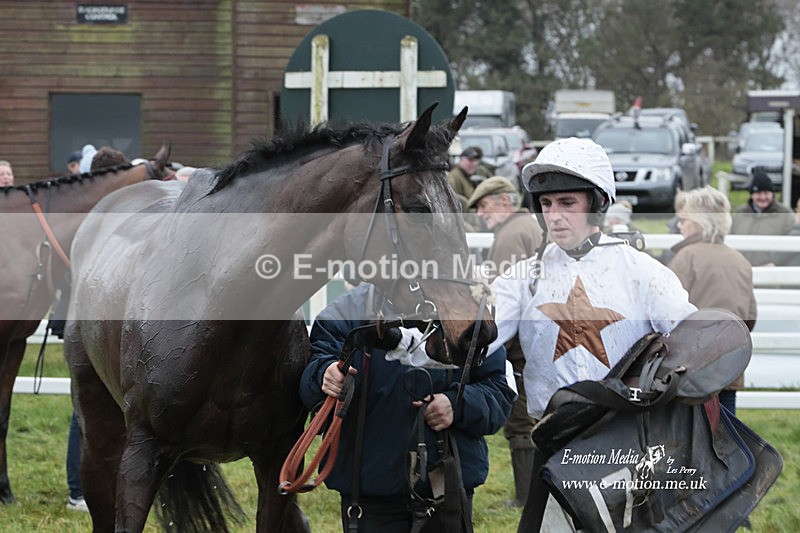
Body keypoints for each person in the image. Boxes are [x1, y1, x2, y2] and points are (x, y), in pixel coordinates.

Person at [487, 137, 696, 530]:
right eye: (546, 205)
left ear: (598, 204)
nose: (554, 216)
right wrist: (404, 341)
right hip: (555, 448)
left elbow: (693, 344)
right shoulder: (523, 277)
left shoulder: (643, 272)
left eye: (567, 203)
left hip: (630, 450)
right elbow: (476, 340)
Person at [299, 283, 514, 533]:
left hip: (447, 492)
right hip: (370, 496)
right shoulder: (344, 313)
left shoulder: (464, 311)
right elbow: (309, 384)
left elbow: (499, 391)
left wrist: (457, 404)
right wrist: (324, 375)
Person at [466, 175, 542, 507]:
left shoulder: (510, 235)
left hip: (521, 345)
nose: (482, 213)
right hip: (540, 338)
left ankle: (526, 498)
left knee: (521, 424)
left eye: (485, 205)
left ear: (506, 202)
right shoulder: (531, 227)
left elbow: (500, 300)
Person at [667, 186, 756, 414]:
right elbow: (750, 317)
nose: (680, 224)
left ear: (699, 222)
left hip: (690, 373)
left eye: (685, 219)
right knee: (727, 436)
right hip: (730, 368)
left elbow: (667, 313)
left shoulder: (685, 258)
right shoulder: (740, 261)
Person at [730, 168, 795, 266]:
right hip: (742, 273)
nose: (763, 197)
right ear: (751, 194)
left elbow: (793, 246)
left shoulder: (786, 215)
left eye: (766, 193)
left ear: (772, 194)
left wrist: (775, 263)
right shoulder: (739, 214)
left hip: (773, 275)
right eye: (758, 193)